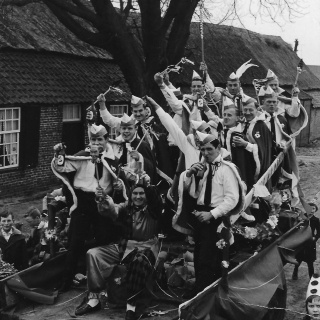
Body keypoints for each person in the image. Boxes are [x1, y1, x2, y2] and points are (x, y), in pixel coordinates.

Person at [52, 124, 129, 292]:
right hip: (83, 202)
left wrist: (117, 188)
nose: (96, 143)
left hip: (102, 203)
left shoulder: (111, 159)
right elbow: (62, 167)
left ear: (106, 140)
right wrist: (59, 155)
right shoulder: (82, 157)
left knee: (104, 238)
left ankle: (100, 275)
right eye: (93, 139)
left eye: (99, 139)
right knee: (75, 241)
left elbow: (118, 182)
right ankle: (66, 280)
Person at [75, 179, 163, 319]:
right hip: (125, 246)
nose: (138, 196)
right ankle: (94, 299)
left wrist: (145, 182)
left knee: (139, 261)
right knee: (93, 254)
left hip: (147, 247)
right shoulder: (127, 205)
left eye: (142, 193)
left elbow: (156, 200)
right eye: (135, 193)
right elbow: (112, 211)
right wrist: (104, 199)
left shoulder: (153, 207)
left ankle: (131, 307)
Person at [172, 131, 245, 299]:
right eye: (203, 150)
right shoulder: (202, 167)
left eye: (209, 149)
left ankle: (207, 293)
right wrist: (190, 175)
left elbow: (232, 199)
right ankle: (200, 287)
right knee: (199, 254)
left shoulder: (227, 169)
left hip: (216, 218)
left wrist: (211, 214)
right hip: (201, 216)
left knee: (211, 257)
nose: (205, 153)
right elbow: (193, 192)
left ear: (219, 148)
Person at [94, 94, 174, 183]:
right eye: (135, 111)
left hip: (148, 166)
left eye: (140, 111)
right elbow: (110, 120)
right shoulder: (129, 122)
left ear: (146, 110)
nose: (138, 114)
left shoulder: (154, 126)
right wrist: (102, 104)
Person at [265, 69, 308, 150]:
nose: (274, 87)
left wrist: (295, 97)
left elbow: (294, 114)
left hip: (281, 135)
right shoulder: (260, 100)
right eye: (271, 85)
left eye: (275, 85)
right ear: (266, 85)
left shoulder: (283, 100)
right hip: (266, 134)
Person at [110, 113, 158, 184]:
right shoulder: (118, 145)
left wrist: (140, 158)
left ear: (135, 128)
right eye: (124, 128)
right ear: (120, 129)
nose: (126, 131)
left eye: (129, 128)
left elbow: (151, 168)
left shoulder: (143, 145)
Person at [292, 203, 320, 280]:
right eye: (310, 208)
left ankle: (311, 277)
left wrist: (315, 238)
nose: (312, 210)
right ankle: (295, 272)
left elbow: (319, 231)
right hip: (301, 242)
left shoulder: (316, 220)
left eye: (314, 209)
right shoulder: (301, 218)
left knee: (310, 262)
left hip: (310, 243)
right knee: (298, 259)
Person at [0, 206, 28, 270]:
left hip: (16, 272)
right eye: (3, 221)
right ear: (0, 222)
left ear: (13, 221)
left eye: (9, 220)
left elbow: (24, 259)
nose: (6, 223)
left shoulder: (20, 238)